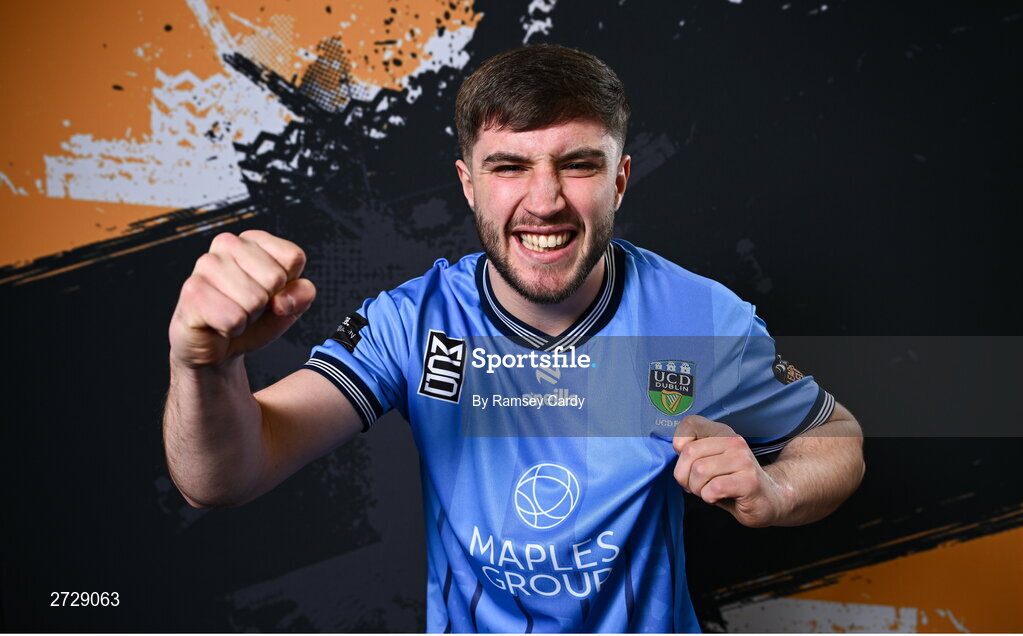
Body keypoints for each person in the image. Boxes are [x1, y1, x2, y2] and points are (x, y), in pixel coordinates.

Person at [164, 44, 864, 632]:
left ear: (619, 180)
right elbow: (224, 478)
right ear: (469, 184)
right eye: (509, 166)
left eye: (578, 164)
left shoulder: (697, 317)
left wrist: (773, 491)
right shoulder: (413, 323)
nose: (545, 200)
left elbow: (835, 440)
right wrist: (204, 367)